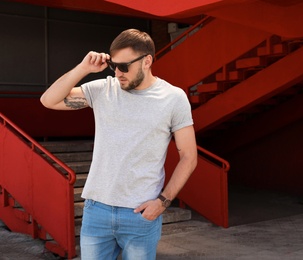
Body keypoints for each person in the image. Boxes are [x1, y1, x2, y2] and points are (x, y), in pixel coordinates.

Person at [40, 28, 197, 260]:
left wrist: (162, 203)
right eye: (114, 66)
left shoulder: (173, 98)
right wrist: (84, 68)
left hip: (141, 214)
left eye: (125, 66)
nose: (118, 73)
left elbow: (189, 157)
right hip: (97, 211)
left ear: (147, 61)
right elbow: (48, 100)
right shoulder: (104, 89)